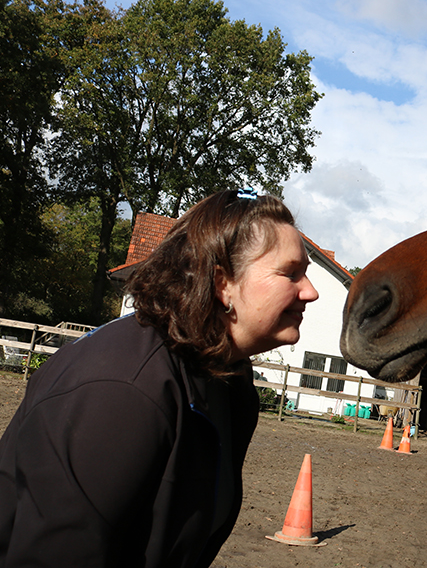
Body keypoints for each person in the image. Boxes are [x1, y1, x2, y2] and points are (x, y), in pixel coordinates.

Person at [0, 189, 319, 567]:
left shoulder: (225, 377)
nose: (310, 292)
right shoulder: (123, 393)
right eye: (291, 273)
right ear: (222, 284)